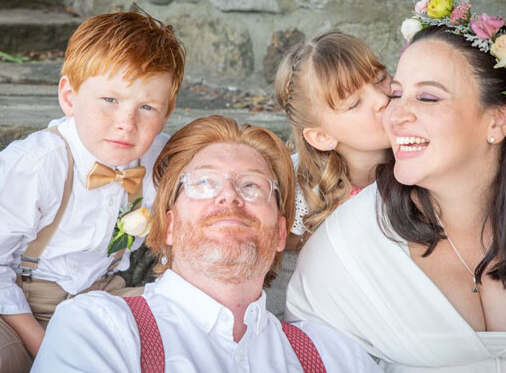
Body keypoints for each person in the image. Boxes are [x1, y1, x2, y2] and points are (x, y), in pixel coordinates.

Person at [286, 0, 506, 371]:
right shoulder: (347, 246)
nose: (392, 111)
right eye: (399, 93)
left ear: (498, 121)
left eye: (428, 98)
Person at [31, 115, 382, 372]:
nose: (228, 196)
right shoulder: (99, 328)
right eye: (203, 183)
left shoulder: (336, 356)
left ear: (279, 232)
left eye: (252, 186)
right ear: (168, 225)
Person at [0, 10, 185, 372]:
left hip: (104, 297)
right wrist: (45, 344)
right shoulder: (35, 165)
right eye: (110, 100)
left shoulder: (161, 159)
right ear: (70, 97)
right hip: (23, 305)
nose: (126, 124)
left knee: (189, 326)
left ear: (165, 114)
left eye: (147, 107)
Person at [266, 31, 391, 317]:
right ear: (322, 136)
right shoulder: (297, 191)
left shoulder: (420, 163)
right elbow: (280, 288)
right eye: (355, 103)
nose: (381, 98)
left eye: (380, 77)